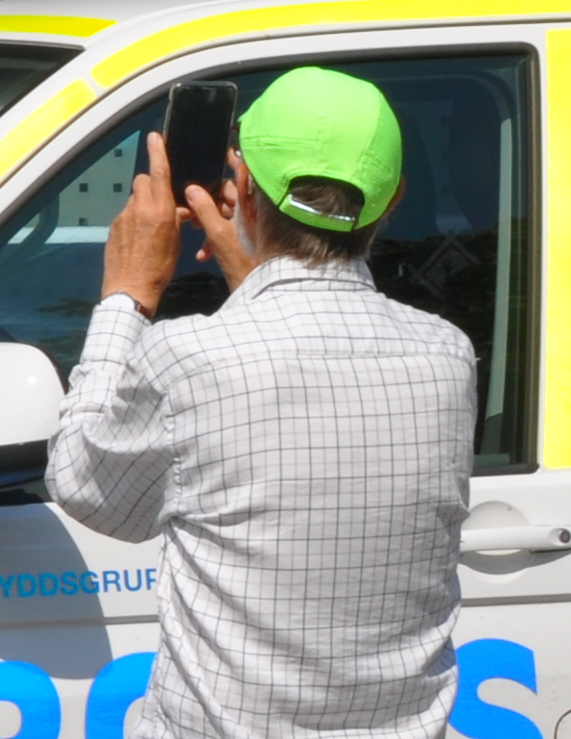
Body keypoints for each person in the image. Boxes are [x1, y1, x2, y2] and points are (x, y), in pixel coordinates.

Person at [47, 68, 475, 739]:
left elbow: (85, 485)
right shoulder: (446, 355)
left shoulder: (189, 358)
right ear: (392, 200)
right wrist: (260, 280)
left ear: (242, 185)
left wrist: (127, 293)